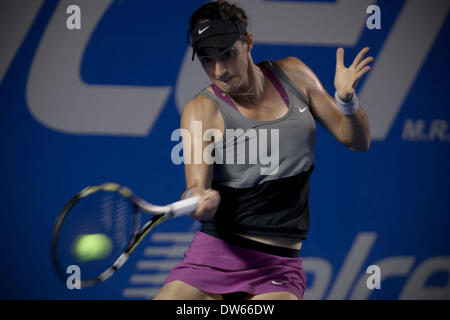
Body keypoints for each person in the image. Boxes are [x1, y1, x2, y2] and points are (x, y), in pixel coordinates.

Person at [154, 0, 371, 300]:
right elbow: (195, 188)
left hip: (278, 268)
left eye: (228, 54)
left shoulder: (294, 75)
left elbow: (356, 140)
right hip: (214, 258)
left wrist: (347, 102)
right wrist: (199, 200)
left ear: (249, 42)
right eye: (207, 59)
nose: (220, 71)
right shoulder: (200, 110)